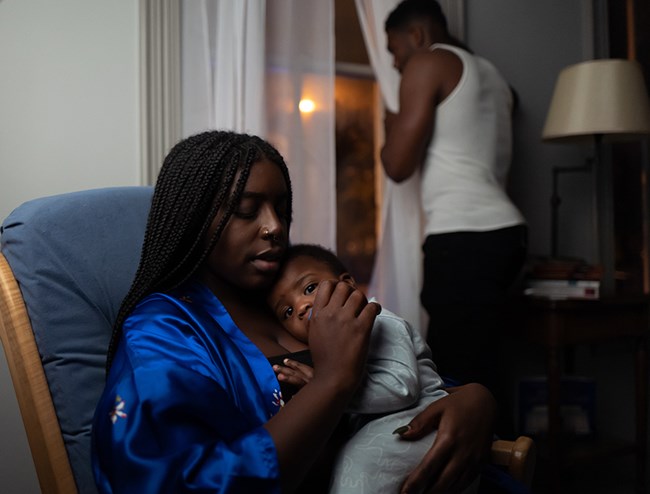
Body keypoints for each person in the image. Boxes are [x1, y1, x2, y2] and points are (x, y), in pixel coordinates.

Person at [92, 130, 497, 494]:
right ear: (194, 219)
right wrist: (333, 380)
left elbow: (410, 375)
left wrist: (474, 400)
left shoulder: (291, 299)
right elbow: (175, 481)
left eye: (281, 209)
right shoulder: (162, 330)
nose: (274, 227)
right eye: (248, 210)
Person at [381, 0, 527, 401]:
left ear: (417, 36)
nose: (394, 64)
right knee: (485, 364)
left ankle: (486, 463)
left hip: (465, 237)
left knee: (456, 379)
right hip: (506, 235)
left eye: (394, 50)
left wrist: (389, 126)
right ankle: (503, 458)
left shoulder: (427, 63)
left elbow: (397, 165)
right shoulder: (494, 77)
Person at [268, 243, 481, 494]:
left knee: (356, 469)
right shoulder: (325, 349)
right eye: (288, 311)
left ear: (347, 283)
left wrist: (323, 387)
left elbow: (402, 389)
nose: (302, 306)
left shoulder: (381, 321)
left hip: (420, 421)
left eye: (310, 288)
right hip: (386, 430)